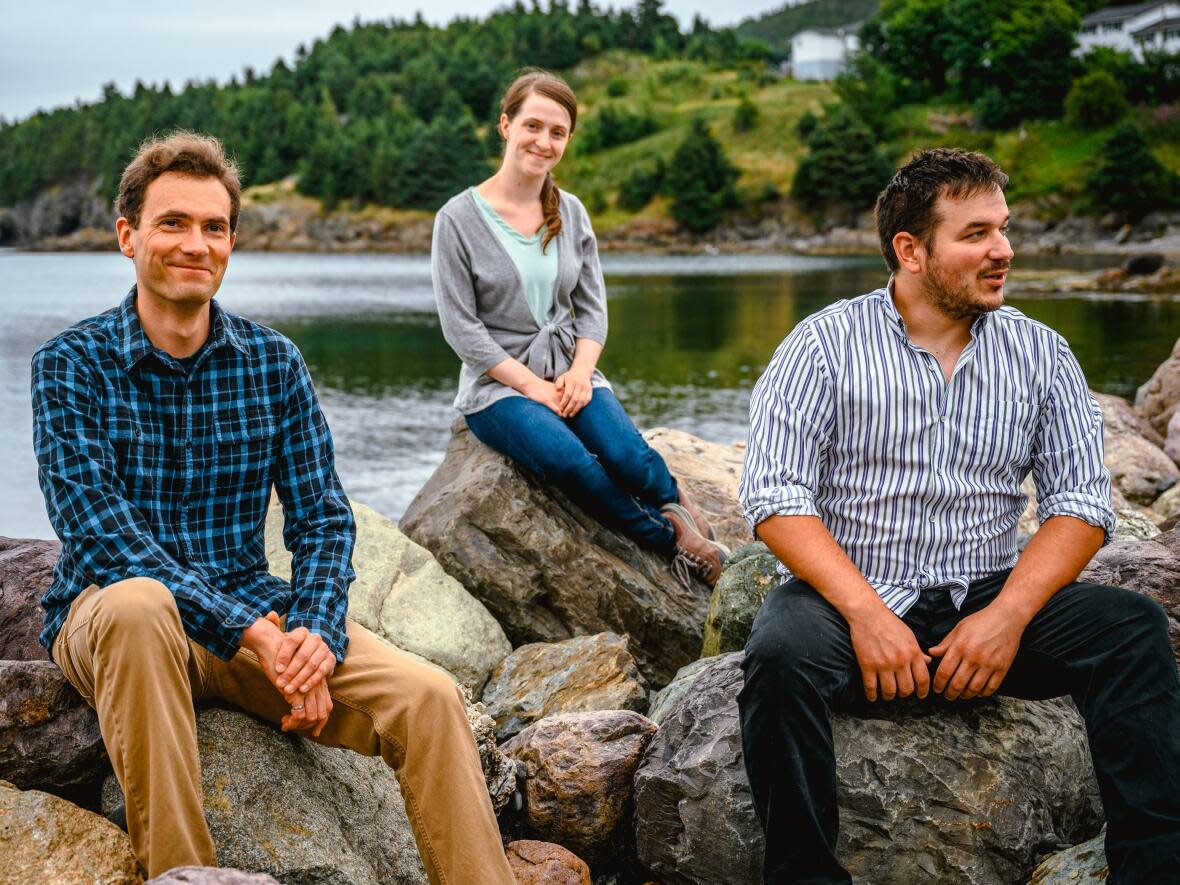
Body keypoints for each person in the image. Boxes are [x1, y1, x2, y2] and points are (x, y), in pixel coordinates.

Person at [30, 131, 516, 883]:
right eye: (173, 223)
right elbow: (99, 532)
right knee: (139, 603)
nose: (196, 243)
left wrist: (314, 636)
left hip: (254, 619)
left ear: (231, 242)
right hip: (117, 618)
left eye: (214, 227)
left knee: (432, 697)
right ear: (128, 237)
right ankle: (186, 876)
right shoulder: (70, 364)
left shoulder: (272, 361)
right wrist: (257, 633)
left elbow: (322, 515)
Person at [738, 148, 1180, 884]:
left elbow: (1079, 504)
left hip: (985, 595)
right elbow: (776, 497)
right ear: (911, 250)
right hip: (849, 599)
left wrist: (1007, 617)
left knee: (1131, 631)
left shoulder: (1041, 353)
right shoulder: (822, 345)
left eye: (1004, 229)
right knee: (779, 655)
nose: (1003, 250)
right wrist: (868, 615)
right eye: (976, 234)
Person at [430, 69, 728, 587]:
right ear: (506, 125)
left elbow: (592, 311)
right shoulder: (456, 220)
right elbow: (462, 329)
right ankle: (669, 537)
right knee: (573, 464)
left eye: (558, 132)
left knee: (627, 456)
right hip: (497, 390)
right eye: (533, 126)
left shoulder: (570, 212)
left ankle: (672, 497)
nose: (543, 142)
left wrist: (579, 374)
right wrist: (535, 388)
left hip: (573, 370)